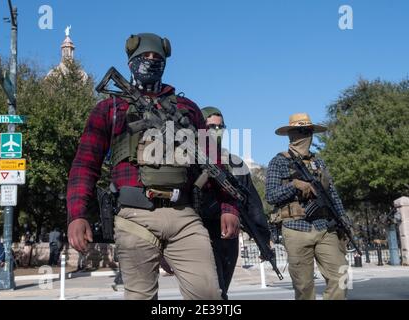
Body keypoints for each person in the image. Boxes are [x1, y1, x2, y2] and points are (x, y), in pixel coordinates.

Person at [67, 33, 240, 300]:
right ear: (130, 63)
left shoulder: (187, 109)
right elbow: (85, 165)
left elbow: (213, 161)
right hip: (136, 217)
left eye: (157, 58)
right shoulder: (110, 108)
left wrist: (228, 207)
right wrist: (77, 214)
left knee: (209, 296)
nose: (151, 62)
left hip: (184, 216)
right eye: (144, 57)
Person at [265, 113, 349, 300]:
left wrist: (344, 221)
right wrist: (294, 185)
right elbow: (270, 196)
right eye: (301, 131)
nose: (306, 136)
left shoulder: (318, 162)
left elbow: (332, 194)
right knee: (304, 286)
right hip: (296, 229)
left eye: (309, 131)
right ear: (291, 134)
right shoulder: (279, 161)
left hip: (325, 227)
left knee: (341, 276)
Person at [200, 106, 271, 300]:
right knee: (212, 293)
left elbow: (253, 206)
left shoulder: (236, 163)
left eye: (221, 127)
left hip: (228, 237)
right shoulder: (188, 161)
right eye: (211, 127)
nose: (217, 131)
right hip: (199, 233)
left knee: (222, 292)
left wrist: (263, 239)